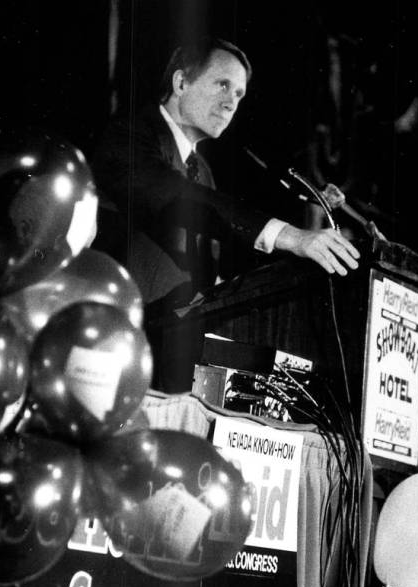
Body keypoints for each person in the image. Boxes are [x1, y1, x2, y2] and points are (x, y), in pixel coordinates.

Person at [92, 36, 360, 391]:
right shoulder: (129, 136)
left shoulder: (202, 170)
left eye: (239, 95)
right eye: (223, 85)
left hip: (170, 361)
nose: (232, 103)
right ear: (181, 82)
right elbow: (180, 199)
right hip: (109, 350)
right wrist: (291, 236)